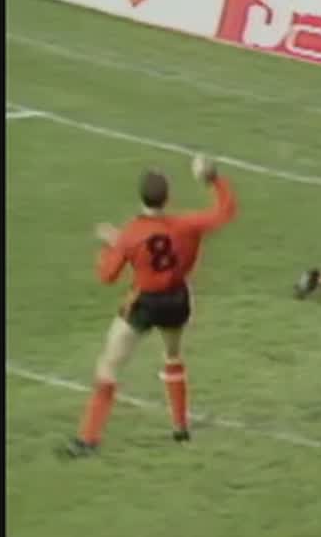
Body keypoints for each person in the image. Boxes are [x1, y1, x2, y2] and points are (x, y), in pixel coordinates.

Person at [65, 155, 237, 457]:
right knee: (172, 357)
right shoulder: (186, 225)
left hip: (146, 301)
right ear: (167, 198)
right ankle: (180, 428)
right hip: (177, 298)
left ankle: (88, 439)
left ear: (141, 197)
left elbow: (107, 276)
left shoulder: (131, 233)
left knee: (108, 364)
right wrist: (214, 179)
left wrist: (110, 245)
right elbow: (225, 211)